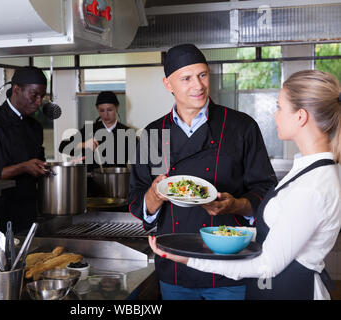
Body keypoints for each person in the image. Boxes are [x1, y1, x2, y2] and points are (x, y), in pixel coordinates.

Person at [148, 69, 341, 300]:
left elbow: (266, 265)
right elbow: (279, 231)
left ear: (300, 116)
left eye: (279, 107)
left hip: (293, 290)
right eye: (186, 78)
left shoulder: (312, 187)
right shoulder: (308, 171)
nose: (274, 114)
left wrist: (188, 257)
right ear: (168, 84)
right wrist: (217, 234)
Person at [128, 44, 277, 300]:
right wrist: (154, 195)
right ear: (168, 84)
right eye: (186, 78)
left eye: (203, 75)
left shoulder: (241, 127)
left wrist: (237, 205)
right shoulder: (153, 134)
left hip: (229, 267)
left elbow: (265, 189)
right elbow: (136, 195)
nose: (198, 85)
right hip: (175, 267)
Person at [0, 66, 50, 234]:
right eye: (34, 95)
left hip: (28, 214)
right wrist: (23, 167)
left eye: (42, 97)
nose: (38, 102)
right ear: (16, 89)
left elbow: (38, 164)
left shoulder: (35, 126)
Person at [58, 91, 135, 196]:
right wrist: (84, 144)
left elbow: (139, 161)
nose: (106, 114)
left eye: (110, 110)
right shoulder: (89, 130)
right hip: (91, 188)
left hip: (117, 187)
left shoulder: (127, 133)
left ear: (117, 107)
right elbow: (63, 146)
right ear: (97, 109)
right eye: (102, 110)